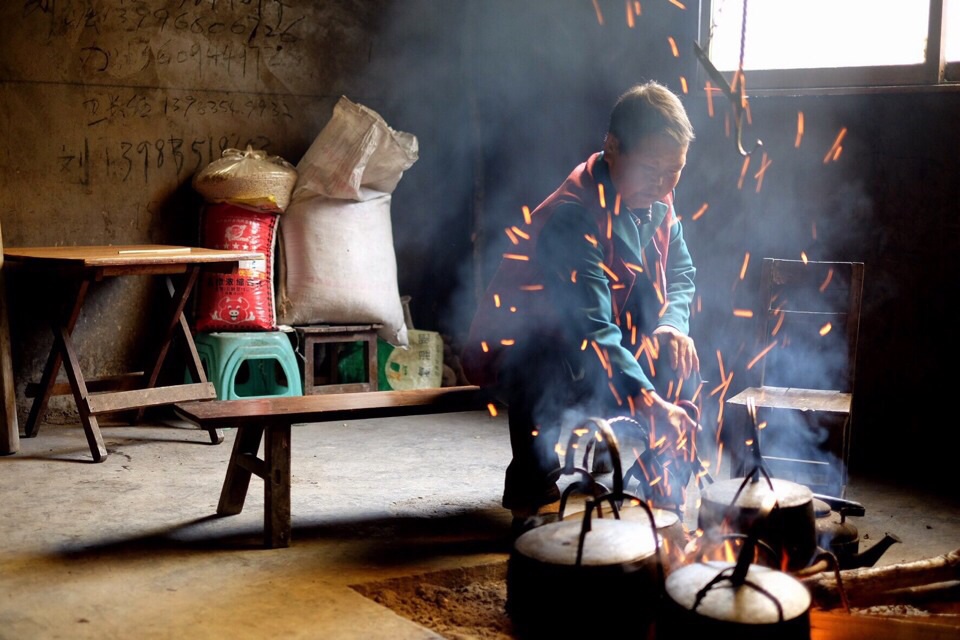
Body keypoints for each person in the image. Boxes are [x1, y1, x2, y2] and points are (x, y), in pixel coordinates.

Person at [461, 81, 702, 526]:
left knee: (677, 351)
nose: (665, 184)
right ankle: (534, 492)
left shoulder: (659, 199)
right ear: (612, 147)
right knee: (537, 355)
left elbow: (683, 274)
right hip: (535, 348)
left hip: (595, 344)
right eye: (652, 168)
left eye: (676, 170)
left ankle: (662, 489)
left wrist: (671, 326)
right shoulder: (574, 213)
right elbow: (591, 330)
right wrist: (648, 403)